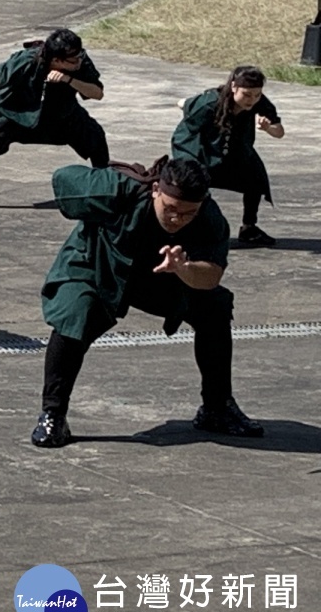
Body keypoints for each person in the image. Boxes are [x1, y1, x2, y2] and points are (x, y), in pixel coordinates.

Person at [31, 156, 263, 448]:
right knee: (76, 314)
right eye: (171, 209)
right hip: (96, 265)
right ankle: (53, 414)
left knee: (214, 307)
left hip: (157, 276)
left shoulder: (209, 217)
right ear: (156, 190)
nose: (177, 219)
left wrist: (184, 268)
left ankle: (216, 409)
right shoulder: (119, 190)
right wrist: (115, 179)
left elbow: (211, 276)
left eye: (188, 213)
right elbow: (64, 176)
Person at [0, 28, 108, 210]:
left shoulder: (79, 61)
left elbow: (97, 93)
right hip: (19, 113)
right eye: (73, 60)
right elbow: (1, 72)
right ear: (56, 60)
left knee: (94, 135)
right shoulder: (27, 60)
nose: (79, 61)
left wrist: (69, 80)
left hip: (60, 116)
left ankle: (105, 191)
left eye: (79, 56)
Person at [171, 66, 284, 248]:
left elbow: (279, 132)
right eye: (247, 95)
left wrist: (268, 128)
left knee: (255, 178)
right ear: (233, 87)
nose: (251, 100)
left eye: (256, 94)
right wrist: (185, 103)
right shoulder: (209, 103)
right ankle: (189, 229)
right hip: (198, 150)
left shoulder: (259, 102)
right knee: (194, 185)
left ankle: (249, 228)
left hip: (235, 151)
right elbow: (184, 105)